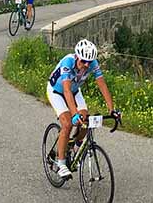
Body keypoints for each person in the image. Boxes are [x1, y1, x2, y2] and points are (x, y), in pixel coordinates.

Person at [46, 39, 120, 178]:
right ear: (77, 57)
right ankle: (61, 164)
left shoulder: (92, 64)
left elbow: (102, 85)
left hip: (75, 91)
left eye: (89, 62)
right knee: (67, 123)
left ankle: (76, 146)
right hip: (57, 91)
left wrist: (112, 110)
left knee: (87, 119)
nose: (86, 65)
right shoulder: (68, 62)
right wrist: (74, 114)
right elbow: (66, 91)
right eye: (83, 61)